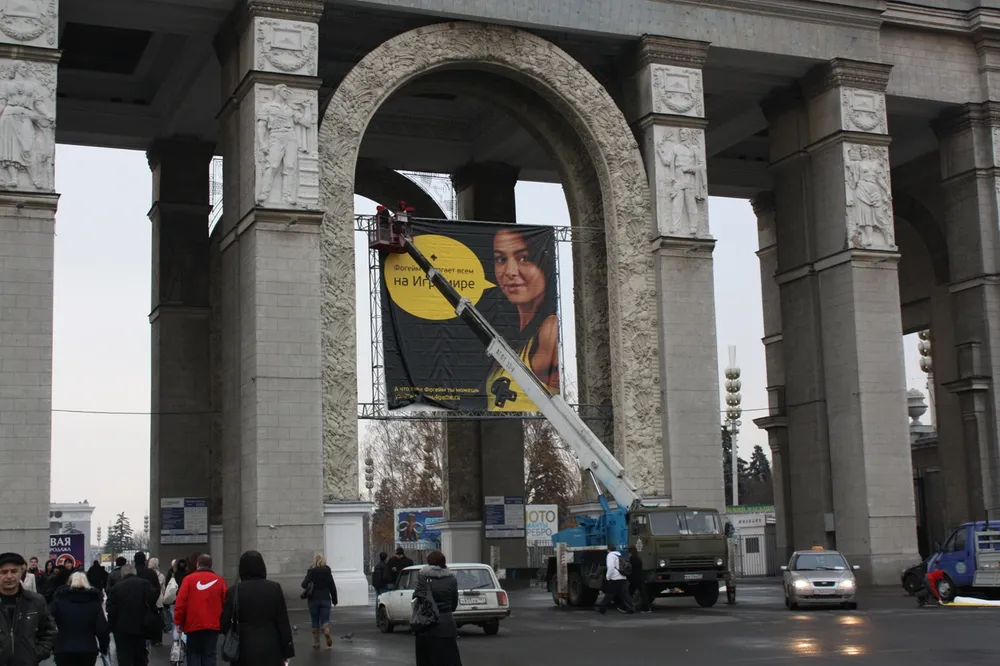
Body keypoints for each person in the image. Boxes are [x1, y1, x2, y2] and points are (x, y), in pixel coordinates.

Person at [485, 227, 559, 412]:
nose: (510, 272)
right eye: (500, 259)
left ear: (543, 263)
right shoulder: (515, 334)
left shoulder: (548, 330)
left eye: (524, 258)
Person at [220, 551, 294, 666]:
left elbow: (225, 623)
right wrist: (287, 651)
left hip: (243, 648)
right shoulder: (274, 588)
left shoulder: (234, 591)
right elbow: (283, 622)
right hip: (271, 646)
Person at [0, 552, 57, 665]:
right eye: (4, 572)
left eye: (14, 571)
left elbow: (50, 632)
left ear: (22, 572)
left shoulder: (36, 601)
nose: (9, 576)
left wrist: (35, 654)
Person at [175, 554, 227, 666]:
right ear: (211, 565)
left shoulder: (188, 580)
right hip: (213, 625)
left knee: (193, 653)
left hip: (193, 624)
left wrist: (178, 622)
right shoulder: (220, 581)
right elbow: (225, 603)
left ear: (197, 564)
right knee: (210, 654)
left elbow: (181, 603)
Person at [49, 572, 110, 666]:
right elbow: (101, 629)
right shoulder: (94, 604)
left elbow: (48, 621)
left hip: (63, 647)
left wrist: (52, 644)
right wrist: (104, 646)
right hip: (88, 648)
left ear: (69, 583)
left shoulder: (59, 602)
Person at [413, 550, 462, 666]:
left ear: (429, 562)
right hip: (447, 626)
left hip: (427, 625)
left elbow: (417, 598)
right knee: (449, 661)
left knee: (427, 660)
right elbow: (454, 604)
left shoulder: (423, 577)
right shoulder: (452, 579)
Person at [106, 564, 157, 666]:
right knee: (140, 657)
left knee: (124, 657)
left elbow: (111, 609)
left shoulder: (116, 587)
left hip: (122, 629)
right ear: (135, 572)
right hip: (142, 627)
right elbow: (153, 600)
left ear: (122, 574)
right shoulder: (145, 584)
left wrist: (111, 626)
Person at [301, 554, 338, 649]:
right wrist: (335, 600)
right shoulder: (328, 572)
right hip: (325, 598)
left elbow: (304, 585)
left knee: (315, 620)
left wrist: (310, 583)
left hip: (313, 599)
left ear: (314, 561)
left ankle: (316, 642)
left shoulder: (311, 571)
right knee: (325, 619)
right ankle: (326, 629)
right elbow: (332, 587)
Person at [596, 545, 634, 615]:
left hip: (615, 578)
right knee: (625, 594)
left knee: (609, 594)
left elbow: (610, 567)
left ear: (608, 549)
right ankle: (631, 608)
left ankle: (602, 608)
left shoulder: (610, 555)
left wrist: (608, 577)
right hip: (623, 577)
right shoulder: (619, 554)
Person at [626, 546, 650, 613]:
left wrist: (628, 577)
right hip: (640, 578)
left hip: (635, 579)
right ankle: (647, 608)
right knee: (643, 593)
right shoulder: (638, 558)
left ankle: (627, 607)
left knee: (629, 593)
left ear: (630, 552)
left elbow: (631, 569)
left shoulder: (632, 558)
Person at [371, 552, 390, 621]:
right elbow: (385, 577)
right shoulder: (385, 566)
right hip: (383, 586)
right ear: (386, 558)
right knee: (384, 604)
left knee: (378, 603)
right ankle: (384, 619)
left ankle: (378, 620)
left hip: (377, 586)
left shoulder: (377, 566)